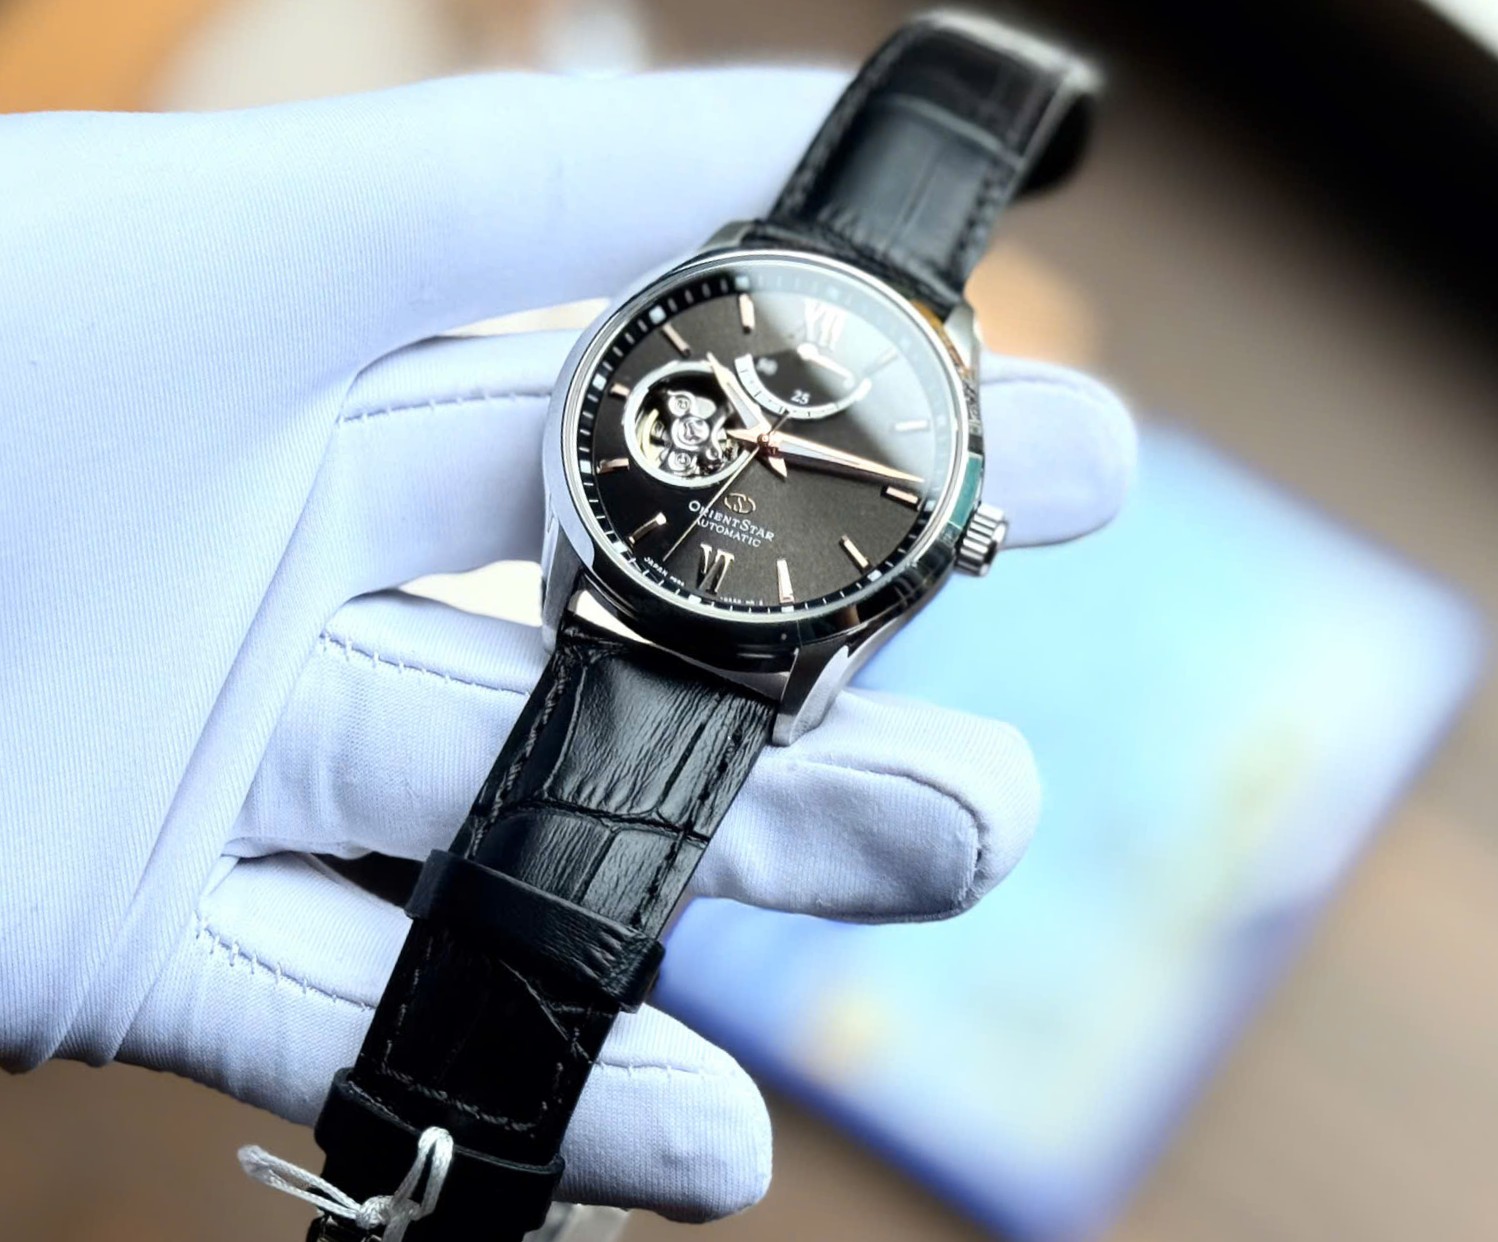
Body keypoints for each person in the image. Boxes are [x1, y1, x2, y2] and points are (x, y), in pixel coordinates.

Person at [0, 68, 1135, 1222]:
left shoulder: (888, 423)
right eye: (740, 423)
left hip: (748, 633)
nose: (762, 445)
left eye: (796, 448)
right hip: (616, 577)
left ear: (958, 532)